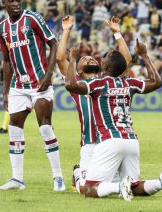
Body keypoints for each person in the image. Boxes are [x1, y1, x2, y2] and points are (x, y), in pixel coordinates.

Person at [64, 40, 162, 201]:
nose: (103, 58)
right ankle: (160, 183)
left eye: (106, 57)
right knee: (135, 187)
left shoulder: (98, 83)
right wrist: (144, 56)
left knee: (89, 188)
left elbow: (70, 84)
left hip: (110, 140)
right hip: (131, 141)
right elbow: (157, 82)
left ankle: (119, 186)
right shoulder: (130, 83)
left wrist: (72, 59)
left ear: (105, 67)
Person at [0, 0, 65, 191]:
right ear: (4, 4)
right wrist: (6, 90)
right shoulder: (2, 28)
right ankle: (17, 179)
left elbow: (53, 44)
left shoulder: (32, 19)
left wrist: (49, 74)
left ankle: (58, 177)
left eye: (18, 0)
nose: (16, 4)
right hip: (18, 86)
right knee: (14, 131)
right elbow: (6, 62)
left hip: (39, 83)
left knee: (44, 127)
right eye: (11, 1)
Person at [56, 15, 132, 194]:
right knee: (86, 188)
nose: (89, 59)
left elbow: (126, 62)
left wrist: (117, 34)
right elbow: (60, 59)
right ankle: (77, 173)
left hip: (111, 140)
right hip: (90, 143)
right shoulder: (76, 85)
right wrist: (66, 31)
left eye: (92, 59)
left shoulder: (108, 81)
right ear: (78, 70)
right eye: (84, 60)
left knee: (119, 184)